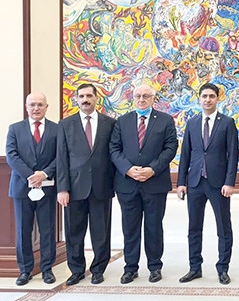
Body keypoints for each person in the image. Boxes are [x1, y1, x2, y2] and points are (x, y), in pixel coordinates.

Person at [109, 84, 178, 284]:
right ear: (133, 98)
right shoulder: (122, 121)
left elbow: (170, 147)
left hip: (155, 183)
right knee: (130, 227)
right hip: (127, 183)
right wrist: (128, 169)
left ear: (153, 98)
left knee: (153, 227)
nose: (141, 99)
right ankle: (130, 268)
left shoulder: (165, 120)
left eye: (146, 96)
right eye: (138, 96)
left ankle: (155, 266)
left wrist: (152, 169)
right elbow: (114, 149)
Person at [177, 83, 239, 285]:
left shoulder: (227, 123)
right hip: (195, 182)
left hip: (218, 183)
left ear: (217, 99)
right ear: (199, 98)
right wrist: (181, 182)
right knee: (194, 227)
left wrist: (230, 182)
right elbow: (185, 154)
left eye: (211, 96)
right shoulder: (192, 123)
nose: (207, 99)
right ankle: (194, 267)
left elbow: (233, 155)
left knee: (223, 227)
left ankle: (223, 268)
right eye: (204, 96)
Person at [56, 83, 116, 285]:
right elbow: (61, 158)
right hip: (74, 188)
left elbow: (114, 154)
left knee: (101, 232)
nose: (85, 99)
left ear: (96, 98)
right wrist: (62, 188)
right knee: (74, 232)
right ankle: (76, 270)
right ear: (76, 99)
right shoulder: (66, 124)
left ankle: (98, 269)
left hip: (102, 186)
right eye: (81, 96)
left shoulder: (110, 123)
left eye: (89, 95)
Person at [6, 92, 58, 286]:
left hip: (48, 188)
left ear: (46, 107)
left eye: (40, 104)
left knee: (48, 230)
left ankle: (47, 269)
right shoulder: (15, 129)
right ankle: (25, 270)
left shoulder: (56, 129)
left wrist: (43, 174)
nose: (36, 108)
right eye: (32, 105)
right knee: (23, 230)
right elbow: (11, 155)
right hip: (22, 188)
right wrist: (31, 176)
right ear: (26, 107)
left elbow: (60, 156)